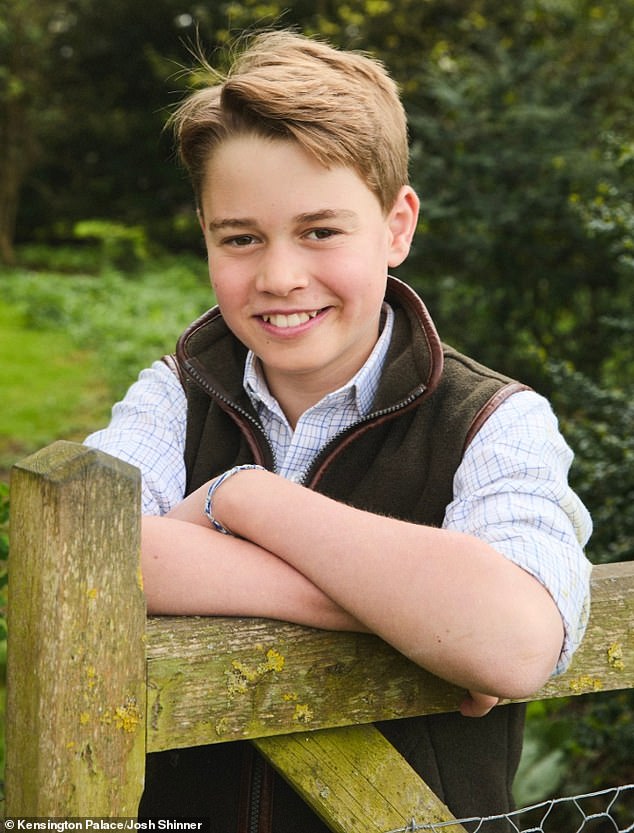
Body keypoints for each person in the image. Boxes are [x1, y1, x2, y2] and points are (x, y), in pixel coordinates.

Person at [85, 29, 592, 831]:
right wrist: (406, 614)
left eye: (320, 231)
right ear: (205, 232)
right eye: (240, 237)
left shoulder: (494, 421)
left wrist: (241, 497)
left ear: (397, 226)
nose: (279, 275)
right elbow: (90, 552)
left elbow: (515, 639)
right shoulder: (174, 394)